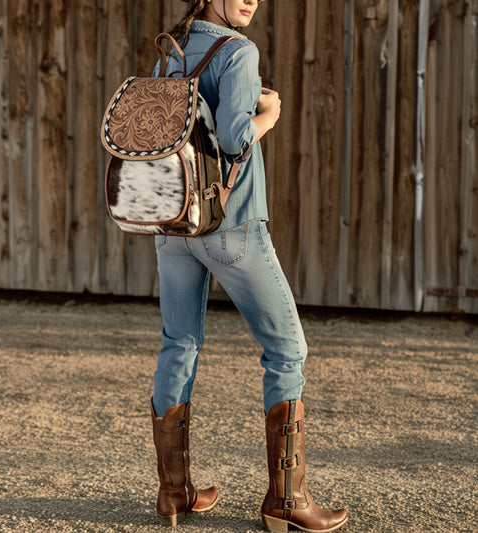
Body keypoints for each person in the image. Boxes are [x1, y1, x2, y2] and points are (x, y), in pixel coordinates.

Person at [150, 1, 348, 531]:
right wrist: (270, 115)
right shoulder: (239, 50)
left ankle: (174, 492)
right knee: (287, 350)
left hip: (174, 224)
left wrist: (245, 96)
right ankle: (286, 501)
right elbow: (235, 140)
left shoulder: (171, 49)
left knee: (179, 343)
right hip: (230, 225)